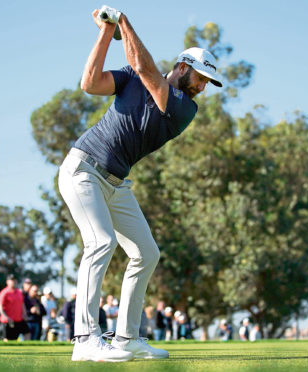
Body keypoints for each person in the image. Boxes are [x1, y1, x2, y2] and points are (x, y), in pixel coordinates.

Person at [60, 6, 221, 361]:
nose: (202, 87)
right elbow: (90, 83)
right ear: (182, 67)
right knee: (100, 242)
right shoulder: (133, 78)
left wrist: (122, 22)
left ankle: (127, 338)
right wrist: (106, 32)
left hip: (116, 184)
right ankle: (85, 339)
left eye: (207, 83)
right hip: (83, 169)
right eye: (200, 78)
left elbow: (148, 70)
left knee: (146, 253)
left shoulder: (183, 107)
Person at [0, 274, 30, 341]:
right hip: (7, 321)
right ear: (7, 282)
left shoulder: (19, 292)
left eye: (14, 280)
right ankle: (6, 351)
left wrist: (24, 314)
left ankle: (25, 349)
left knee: (27, 333)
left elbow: (22, 304)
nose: (13, 282)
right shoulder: (4, 292)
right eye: (11, 280)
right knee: (8, 339)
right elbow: (0, 306)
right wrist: (6, 316)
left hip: (18, 319)